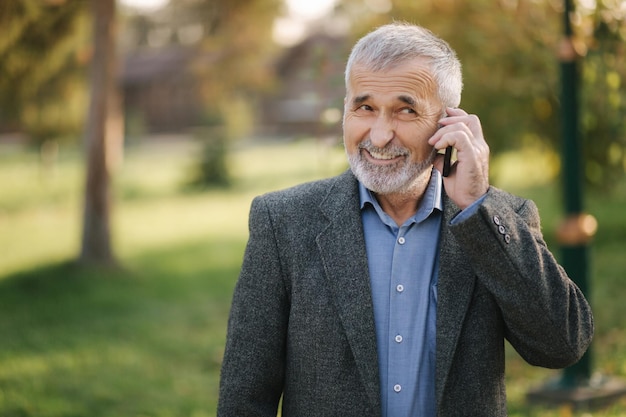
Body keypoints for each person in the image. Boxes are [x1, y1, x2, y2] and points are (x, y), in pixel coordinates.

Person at [217, 22, 593, 417]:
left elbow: (562, 345)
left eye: (405, 110)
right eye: (364, 107)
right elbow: (244, 398)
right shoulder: (282, 222)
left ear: (450, 123)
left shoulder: (498, 219)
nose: (379, 136)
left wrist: (478, 206)